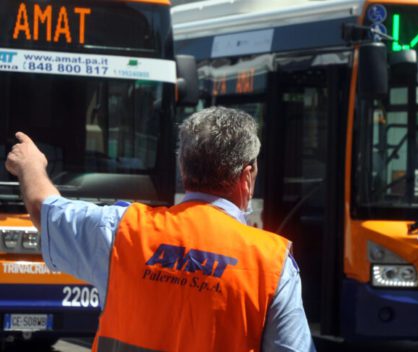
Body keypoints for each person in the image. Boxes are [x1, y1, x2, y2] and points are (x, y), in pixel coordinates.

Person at [5, 106, 315, 352]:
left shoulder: (123, 230)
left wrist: (30, 165)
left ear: (183, 168)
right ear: (247, 177)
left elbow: (44, 210)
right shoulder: (272, 265)